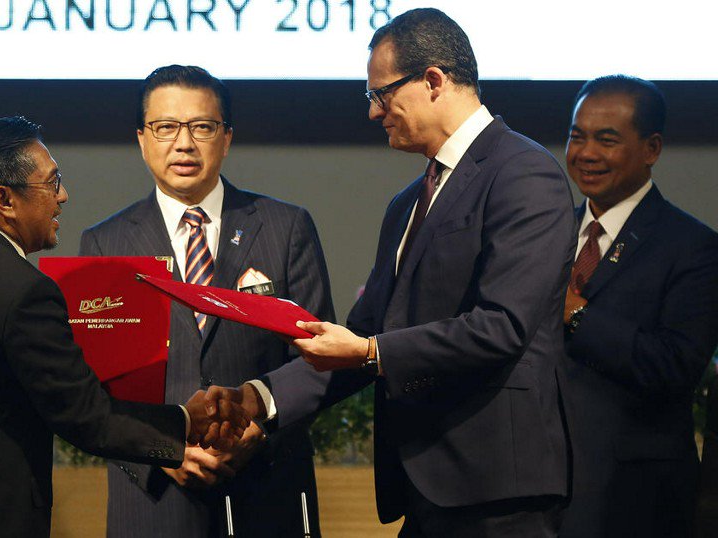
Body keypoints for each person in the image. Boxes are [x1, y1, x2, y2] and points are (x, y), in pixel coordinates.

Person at [212, 8, 575, 536]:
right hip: (426, 490)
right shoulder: (408, 203)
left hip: (499, 489)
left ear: (434, 80)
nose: (373, 112)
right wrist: (257, 398)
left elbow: (502, 326)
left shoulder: (525, 173)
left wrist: (370, 351)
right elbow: (361, 335)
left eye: (380, 93)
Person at [0, 116, 247, 538]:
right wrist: (185, 420)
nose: (63, 196)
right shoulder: (24, 289)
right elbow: (86, 418)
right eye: (52, 182)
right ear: (4, 199)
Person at [80, 65, 335, 537]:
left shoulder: (286, 228)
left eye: (202, 127)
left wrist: (260, 426)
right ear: (142, 139)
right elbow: (97, 387)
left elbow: (320, 359)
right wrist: (160, 449)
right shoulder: (105, 244)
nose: (184, 144)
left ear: (227, 137)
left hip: (267, 492)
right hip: (154, 506)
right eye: (165, 127)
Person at [557, 75, 718, 538]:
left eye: (606, 140)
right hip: (543, 489)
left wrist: (576, 313)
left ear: (652, 148)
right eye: (577, 137)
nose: (586, 153)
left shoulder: (693, 247)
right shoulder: (548, 234)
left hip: (636, 499)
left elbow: (675, 366)